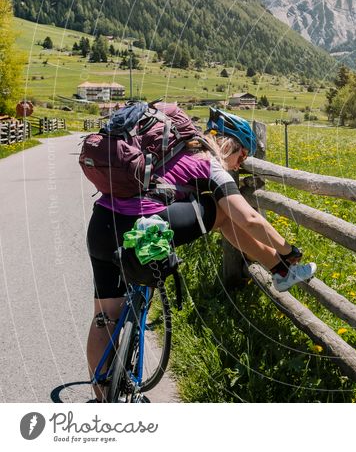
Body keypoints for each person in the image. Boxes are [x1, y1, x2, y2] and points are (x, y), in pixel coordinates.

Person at [85, 107, 316, 401]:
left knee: (103, 317)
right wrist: (288, 249)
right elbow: (249, 219)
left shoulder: (169, 152)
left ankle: (102, 399)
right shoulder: (210, 164)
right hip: (144, 226)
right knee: (221, 214)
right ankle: (281, 269)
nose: (238, 164)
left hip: (102, 224)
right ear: (230, 145)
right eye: (242, 156)